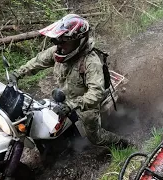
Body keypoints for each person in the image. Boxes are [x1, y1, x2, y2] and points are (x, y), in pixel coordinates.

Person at [10, 14, 133, 148]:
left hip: (85, 103)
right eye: (57, 40)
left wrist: (72, 105)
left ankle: (124, 143)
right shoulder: (59, 51)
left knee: (96, 138)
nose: (59, 45)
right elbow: (38, 61)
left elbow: (96, 93)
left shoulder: (90, 62)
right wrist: (17, 73)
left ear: (78, 41)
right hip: (65, 96)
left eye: (64, 41)